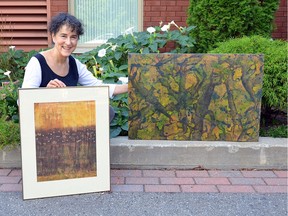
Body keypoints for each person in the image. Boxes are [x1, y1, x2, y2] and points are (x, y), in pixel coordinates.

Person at [22, 12, 128, 122]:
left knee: (106, 110)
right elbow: (23, 101)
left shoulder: (75, 64)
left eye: (73, 37)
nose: (68, 42)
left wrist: (131, 86)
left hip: (68, 119)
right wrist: (47, 93)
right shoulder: (37, 62)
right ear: (53, 36)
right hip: (44, 122)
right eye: (63, 36)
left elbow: (97, 87)